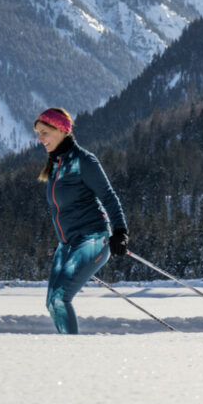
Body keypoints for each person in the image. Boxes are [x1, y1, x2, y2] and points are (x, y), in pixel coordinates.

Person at [33, 107, 129, 334]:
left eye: (44, 132)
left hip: (92, 239)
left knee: (60, 297)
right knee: (52, 302)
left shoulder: (84, 161)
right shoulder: (55, 164)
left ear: (61, 130)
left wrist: (120, 232)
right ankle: (68, 346)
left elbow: (108, 196)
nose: (40, 139)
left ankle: (72, 350)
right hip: (67, 244)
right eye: (38, 134)